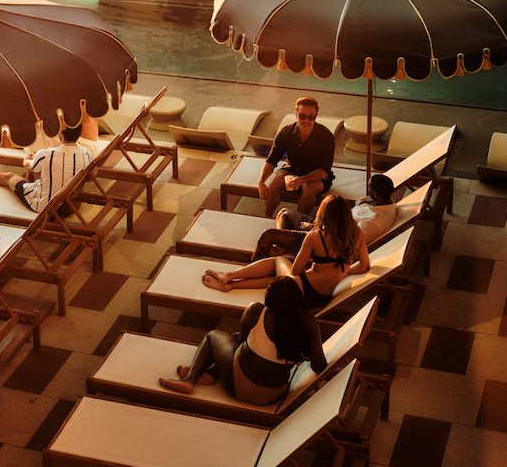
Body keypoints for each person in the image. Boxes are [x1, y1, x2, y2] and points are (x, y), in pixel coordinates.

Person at [158, 276, 326, 404]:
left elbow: (243, 341)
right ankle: (210, 374)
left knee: (214, 337)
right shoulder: (308, 323)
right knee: (239, 348)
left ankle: (189, 380)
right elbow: (319, 366)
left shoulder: (257, 311)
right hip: (274, 395)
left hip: (239, 387)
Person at [203, 193, 370, 307]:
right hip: (321, 299)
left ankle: (229, 276)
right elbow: (364, 266)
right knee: (279, 277)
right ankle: (230, 285)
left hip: (300, 293)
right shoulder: (357, 235)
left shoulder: (315, 236)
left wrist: (308, 265)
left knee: (279, 261)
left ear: (324, 214)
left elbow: (296, 270)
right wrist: (345, 272)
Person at [250, 172, 396, 260]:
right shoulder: (383, 203)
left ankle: (256, 265)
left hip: (322, 242)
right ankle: (285, 248)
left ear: (376, 194)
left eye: (369, 189)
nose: (367, 191)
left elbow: (343, 244)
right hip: (324, 225)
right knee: (284, 213)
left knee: (268, 235)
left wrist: (315, 230)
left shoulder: (371, 224)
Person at [0, 124, 94, 213]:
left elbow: (28, 165)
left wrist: (27, 160)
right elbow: (91, 176)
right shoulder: (86, 154)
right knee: (43, 171)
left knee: (10, 177)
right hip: (72, 205)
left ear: (60, 135)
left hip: (45, 206)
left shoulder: (46, 154)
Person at [258, 97, 335, 218]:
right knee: (274, 182)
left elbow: (324, 171)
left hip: (317, 176)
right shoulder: (286, 133)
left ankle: (298, 221)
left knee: (308, 188)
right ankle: (266, 217)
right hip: (294, 169)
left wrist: (301, 180)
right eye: (302, 116)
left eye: (311, 117)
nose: (306, 120)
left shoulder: (325, 136)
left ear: (316, 116)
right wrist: (261, 182)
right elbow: (271, 160)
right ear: (295, 114)